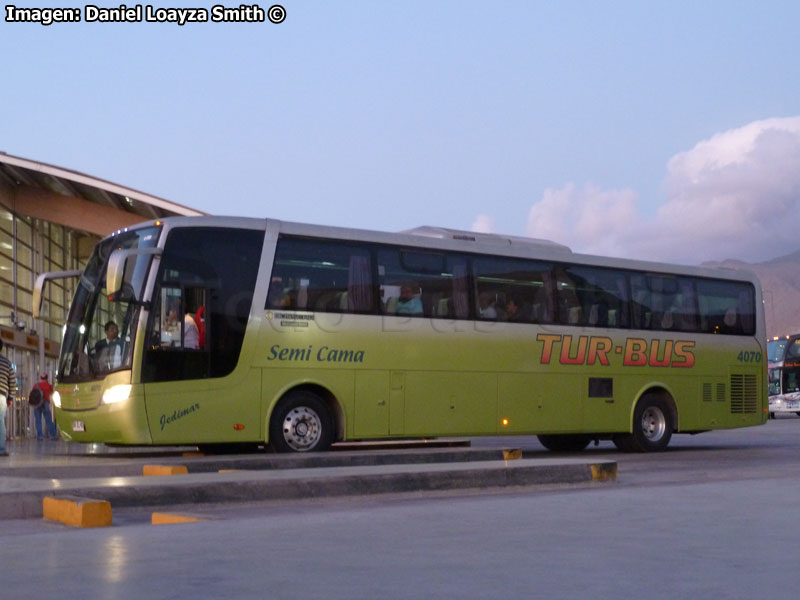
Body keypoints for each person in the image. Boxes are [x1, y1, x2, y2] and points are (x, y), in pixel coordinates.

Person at [0, 339, 17, 457]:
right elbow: (12, 382)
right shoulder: (7, 363)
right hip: (1, 396)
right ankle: (1, 449)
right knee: (1, 423)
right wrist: (10, 397)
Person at [32, 374, 57, 441]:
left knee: (38, 421)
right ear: (47, 378)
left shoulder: (36, 385)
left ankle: (40, 436)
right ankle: (53, 435)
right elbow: (52, 393)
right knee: (48, 420)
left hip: (37, 404)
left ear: (40, 378)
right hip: (45, 403)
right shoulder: (49, 386)